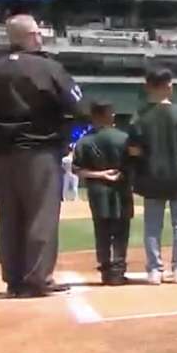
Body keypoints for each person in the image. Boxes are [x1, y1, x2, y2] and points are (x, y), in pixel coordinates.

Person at [0, 14, 84, 297]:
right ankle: (37, 278)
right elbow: (78, 106)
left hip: (1, 152)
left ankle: (14, 280)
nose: (41, 36)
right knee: (40, 215)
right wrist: (67, 136)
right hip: (39, 150)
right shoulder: (48, 67)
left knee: (9, 217)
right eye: (37, 32)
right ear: (29, 36)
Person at [128, 67, 177, 285]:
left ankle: (154, 271)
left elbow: (133, 150)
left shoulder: (139, 116)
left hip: (150, 175)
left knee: (152, 224)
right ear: (168, 86)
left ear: (148, 86)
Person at [72, 99, 134, 285]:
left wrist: (101, 174)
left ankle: (106, 271)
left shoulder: (84, 141)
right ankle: (118, 271)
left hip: (98, 191)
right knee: (121, 231)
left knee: (102, 231)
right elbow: (134, 165)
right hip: (121, 189)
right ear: (111, 115)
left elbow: (77, 170)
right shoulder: (124, 138)